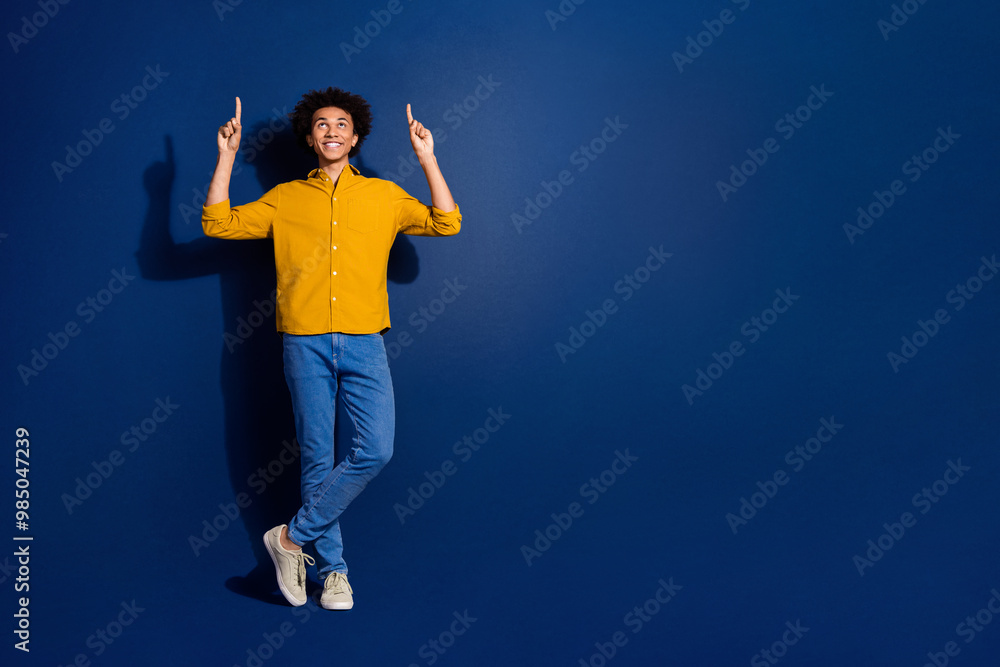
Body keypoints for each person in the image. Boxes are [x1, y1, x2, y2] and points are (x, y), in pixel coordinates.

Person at [201, 88, 461, 610]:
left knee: (375, 449)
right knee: (318, 458)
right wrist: (226, 157)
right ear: (310, 137)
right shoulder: (285, 198)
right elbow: (218, 223)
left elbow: (445, 221)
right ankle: (334, 573)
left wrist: (428, 157)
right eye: (322, 124)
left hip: (365, 340)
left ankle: (289, 540)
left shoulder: (385, 196)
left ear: (356, 135)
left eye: (341, 123)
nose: (332, 131)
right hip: (304, 340)